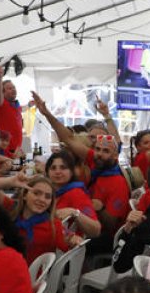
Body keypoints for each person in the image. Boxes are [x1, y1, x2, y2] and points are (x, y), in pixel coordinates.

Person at [33, 92, 131, 244]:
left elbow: (110, 225)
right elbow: (68, 138)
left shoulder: (118, 182)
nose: (98, 154)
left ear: (115, 156)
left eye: (105, 151)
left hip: (101, 238)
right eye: (97, 149)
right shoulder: (95, 160)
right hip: (81, 223)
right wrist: (46, 114)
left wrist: (100, 208)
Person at [11, 176, 81, 263]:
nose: (42, 200)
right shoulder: (11, 212)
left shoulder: (53, 225)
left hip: (32, 275)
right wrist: (9, 181)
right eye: (36, 193)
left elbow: (70, 239)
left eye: (47, 197)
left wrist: (73, 240)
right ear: (25, 195)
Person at [45, 150, 103, 240]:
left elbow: (96, 230)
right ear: (47, 173)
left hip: (65, 250)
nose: (57, 171)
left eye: (63, 167)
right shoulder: (49, 192)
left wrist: (74, 213)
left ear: (71, 172)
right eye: (53, 168)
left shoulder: (76, 194)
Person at [0, 64, 23, 157]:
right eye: (10, 88)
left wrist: (30, 105)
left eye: (14, 87)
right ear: (3, 92)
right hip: (5, 149)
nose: (13, 90)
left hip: (17, 148)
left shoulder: (16, 105)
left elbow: (20, 110)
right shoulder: (2, 104)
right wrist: (0, 77)